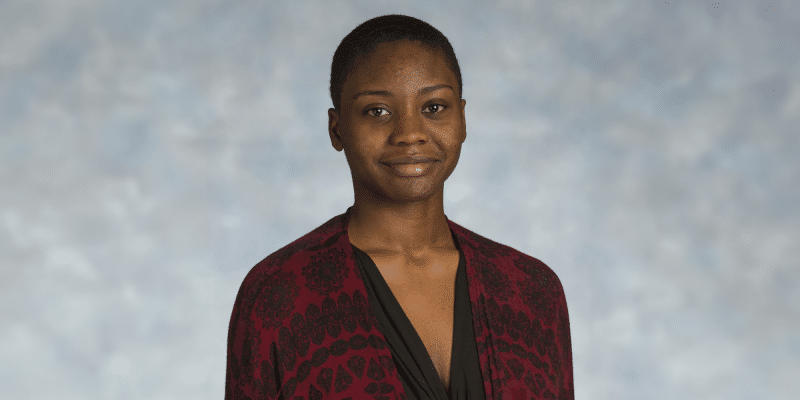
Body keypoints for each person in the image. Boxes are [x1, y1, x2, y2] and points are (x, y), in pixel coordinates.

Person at [226, 14, 573, 400]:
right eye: (377, 111)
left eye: (434, 107)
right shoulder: (279, 294)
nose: (410, 134)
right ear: (337, 129)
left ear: (462, 119)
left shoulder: (531, 290)